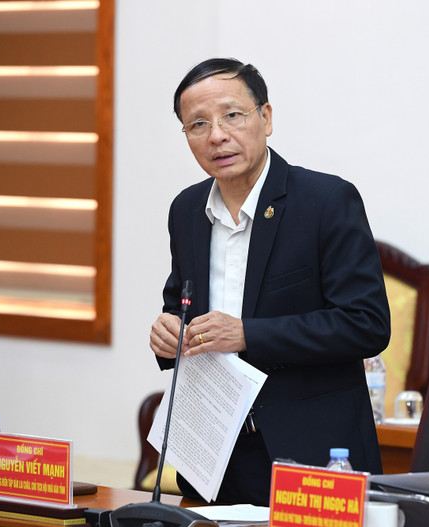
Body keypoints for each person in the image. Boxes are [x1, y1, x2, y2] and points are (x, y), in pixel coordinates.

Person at [148, 57, 390, 505]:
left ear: (267, 117)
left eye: (232, 115)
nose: (217, 135)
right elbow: (179, 303)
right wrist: (169, 332)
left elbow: (367, 323)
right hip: (214, 453)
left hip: (311, 455)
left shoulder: (325, 201)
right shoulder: (186, 210)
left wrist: (246, 334)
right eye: (197, 124)